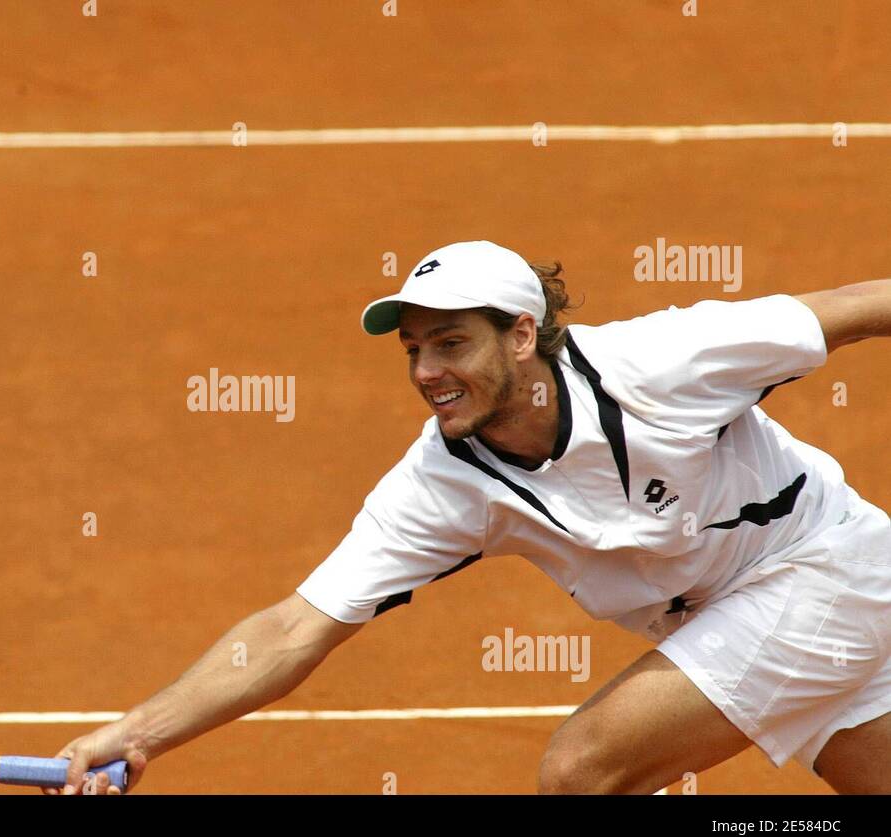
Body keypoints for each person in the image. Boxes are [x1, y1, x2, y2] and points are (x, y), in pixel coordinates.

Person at [50, 240, 891, 795]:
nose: (424, 369)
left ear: (521, 336)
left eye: (449, 343)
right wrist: (140, 732)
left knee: (582, 773)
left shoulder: (666, 362)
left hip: (825, 570)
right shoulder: (442, 482)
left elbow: (857, 304)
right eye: (414, 349)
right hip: (739, 621)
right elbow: (292, 629)